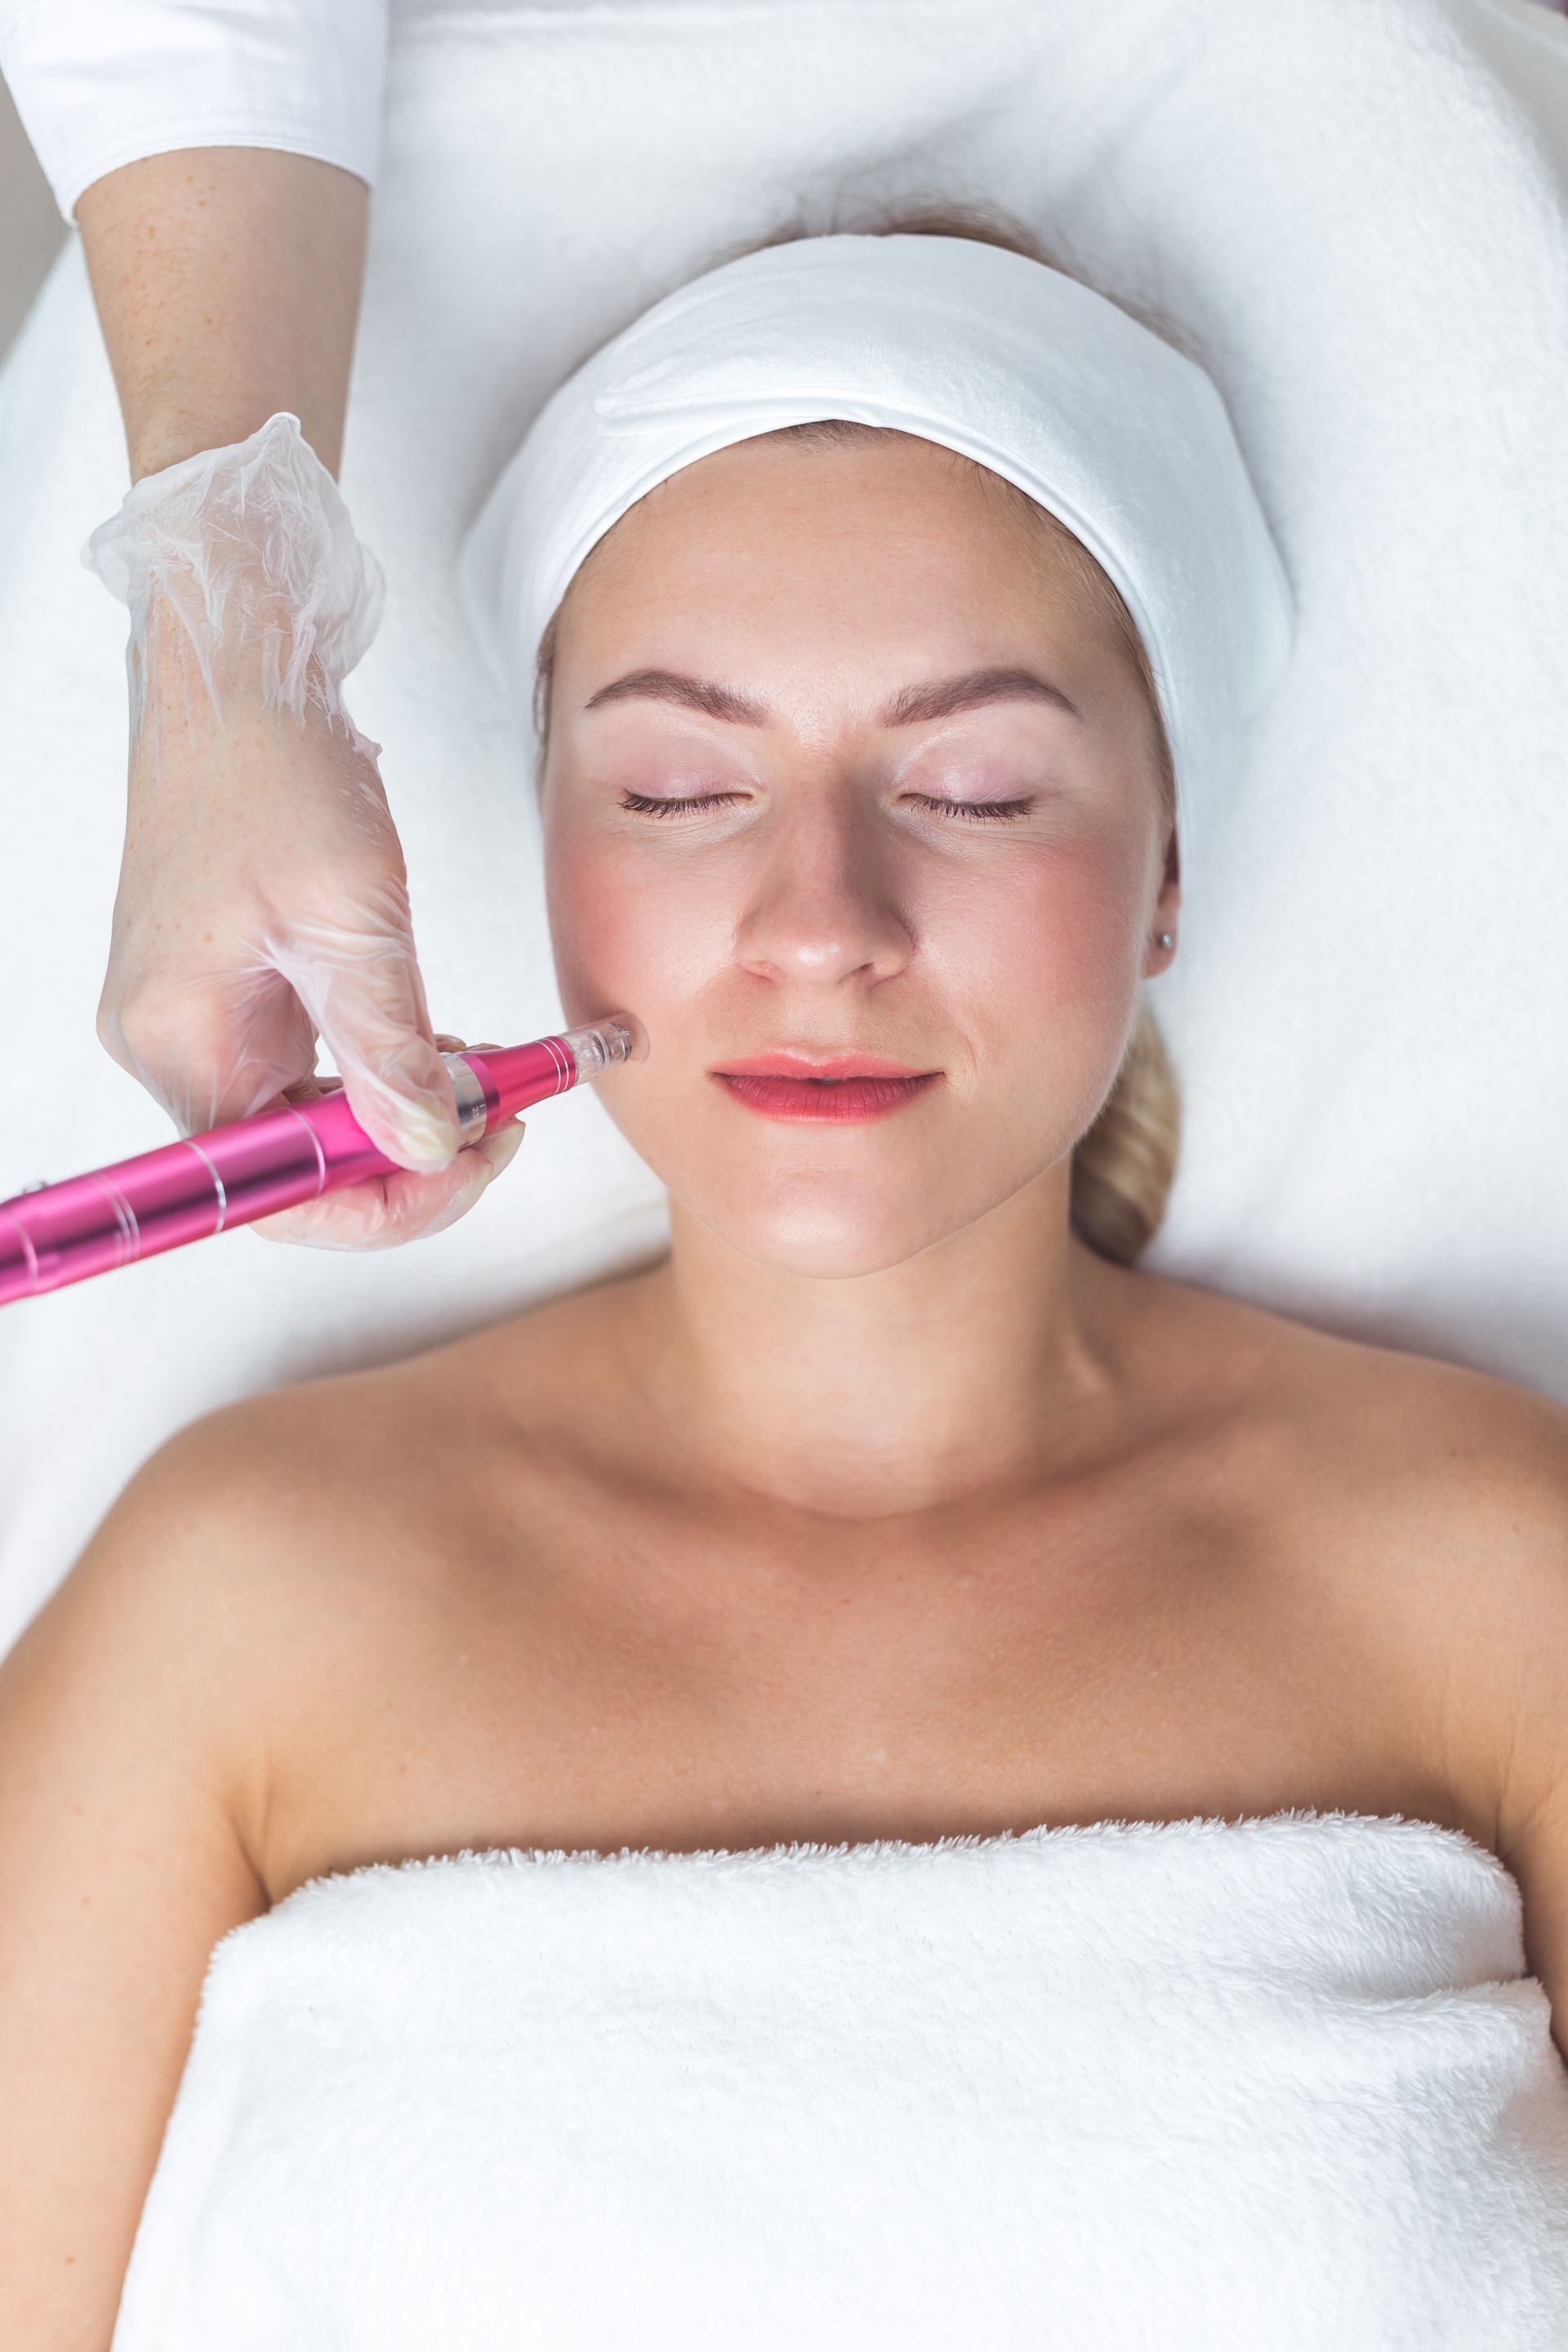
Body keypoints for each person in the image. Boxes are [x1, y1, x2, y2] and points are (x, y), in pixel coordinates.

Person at [4, 217, 1568, 2349]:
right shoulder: (241, 1587)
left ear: (1168, 866)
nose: (822, 921)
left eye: (978, 783)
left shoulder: (1494, 1575)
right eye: (677, 787)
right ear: (543, 853)